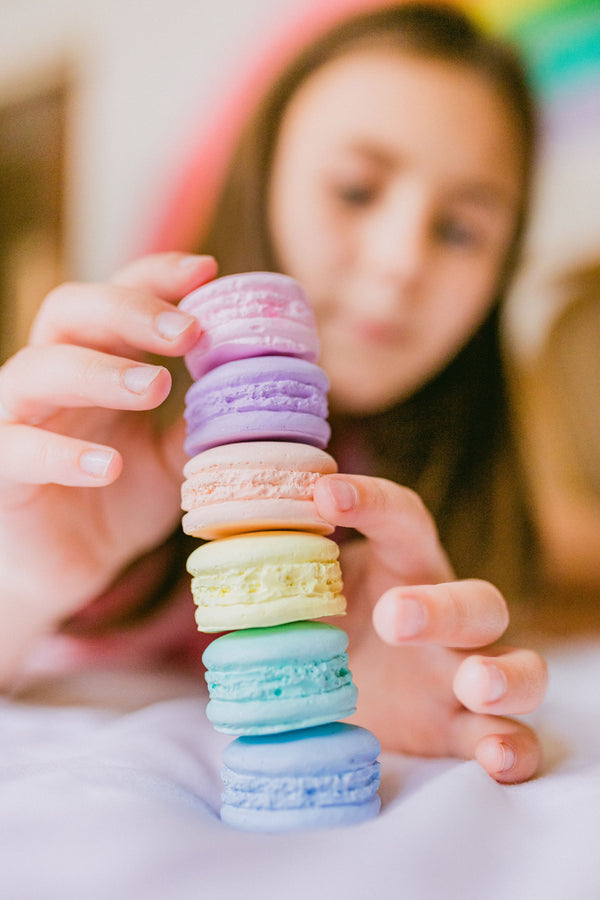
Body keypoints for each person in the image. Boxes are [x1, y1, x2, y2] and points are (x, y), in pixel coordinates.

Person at [0, 3, 548, 784]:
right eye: (357, 190)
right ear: (262, 187)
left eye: (460, 230)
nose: (400, 261)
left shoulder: (461, 509)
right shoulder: (95, 436)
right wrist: (17, 582)